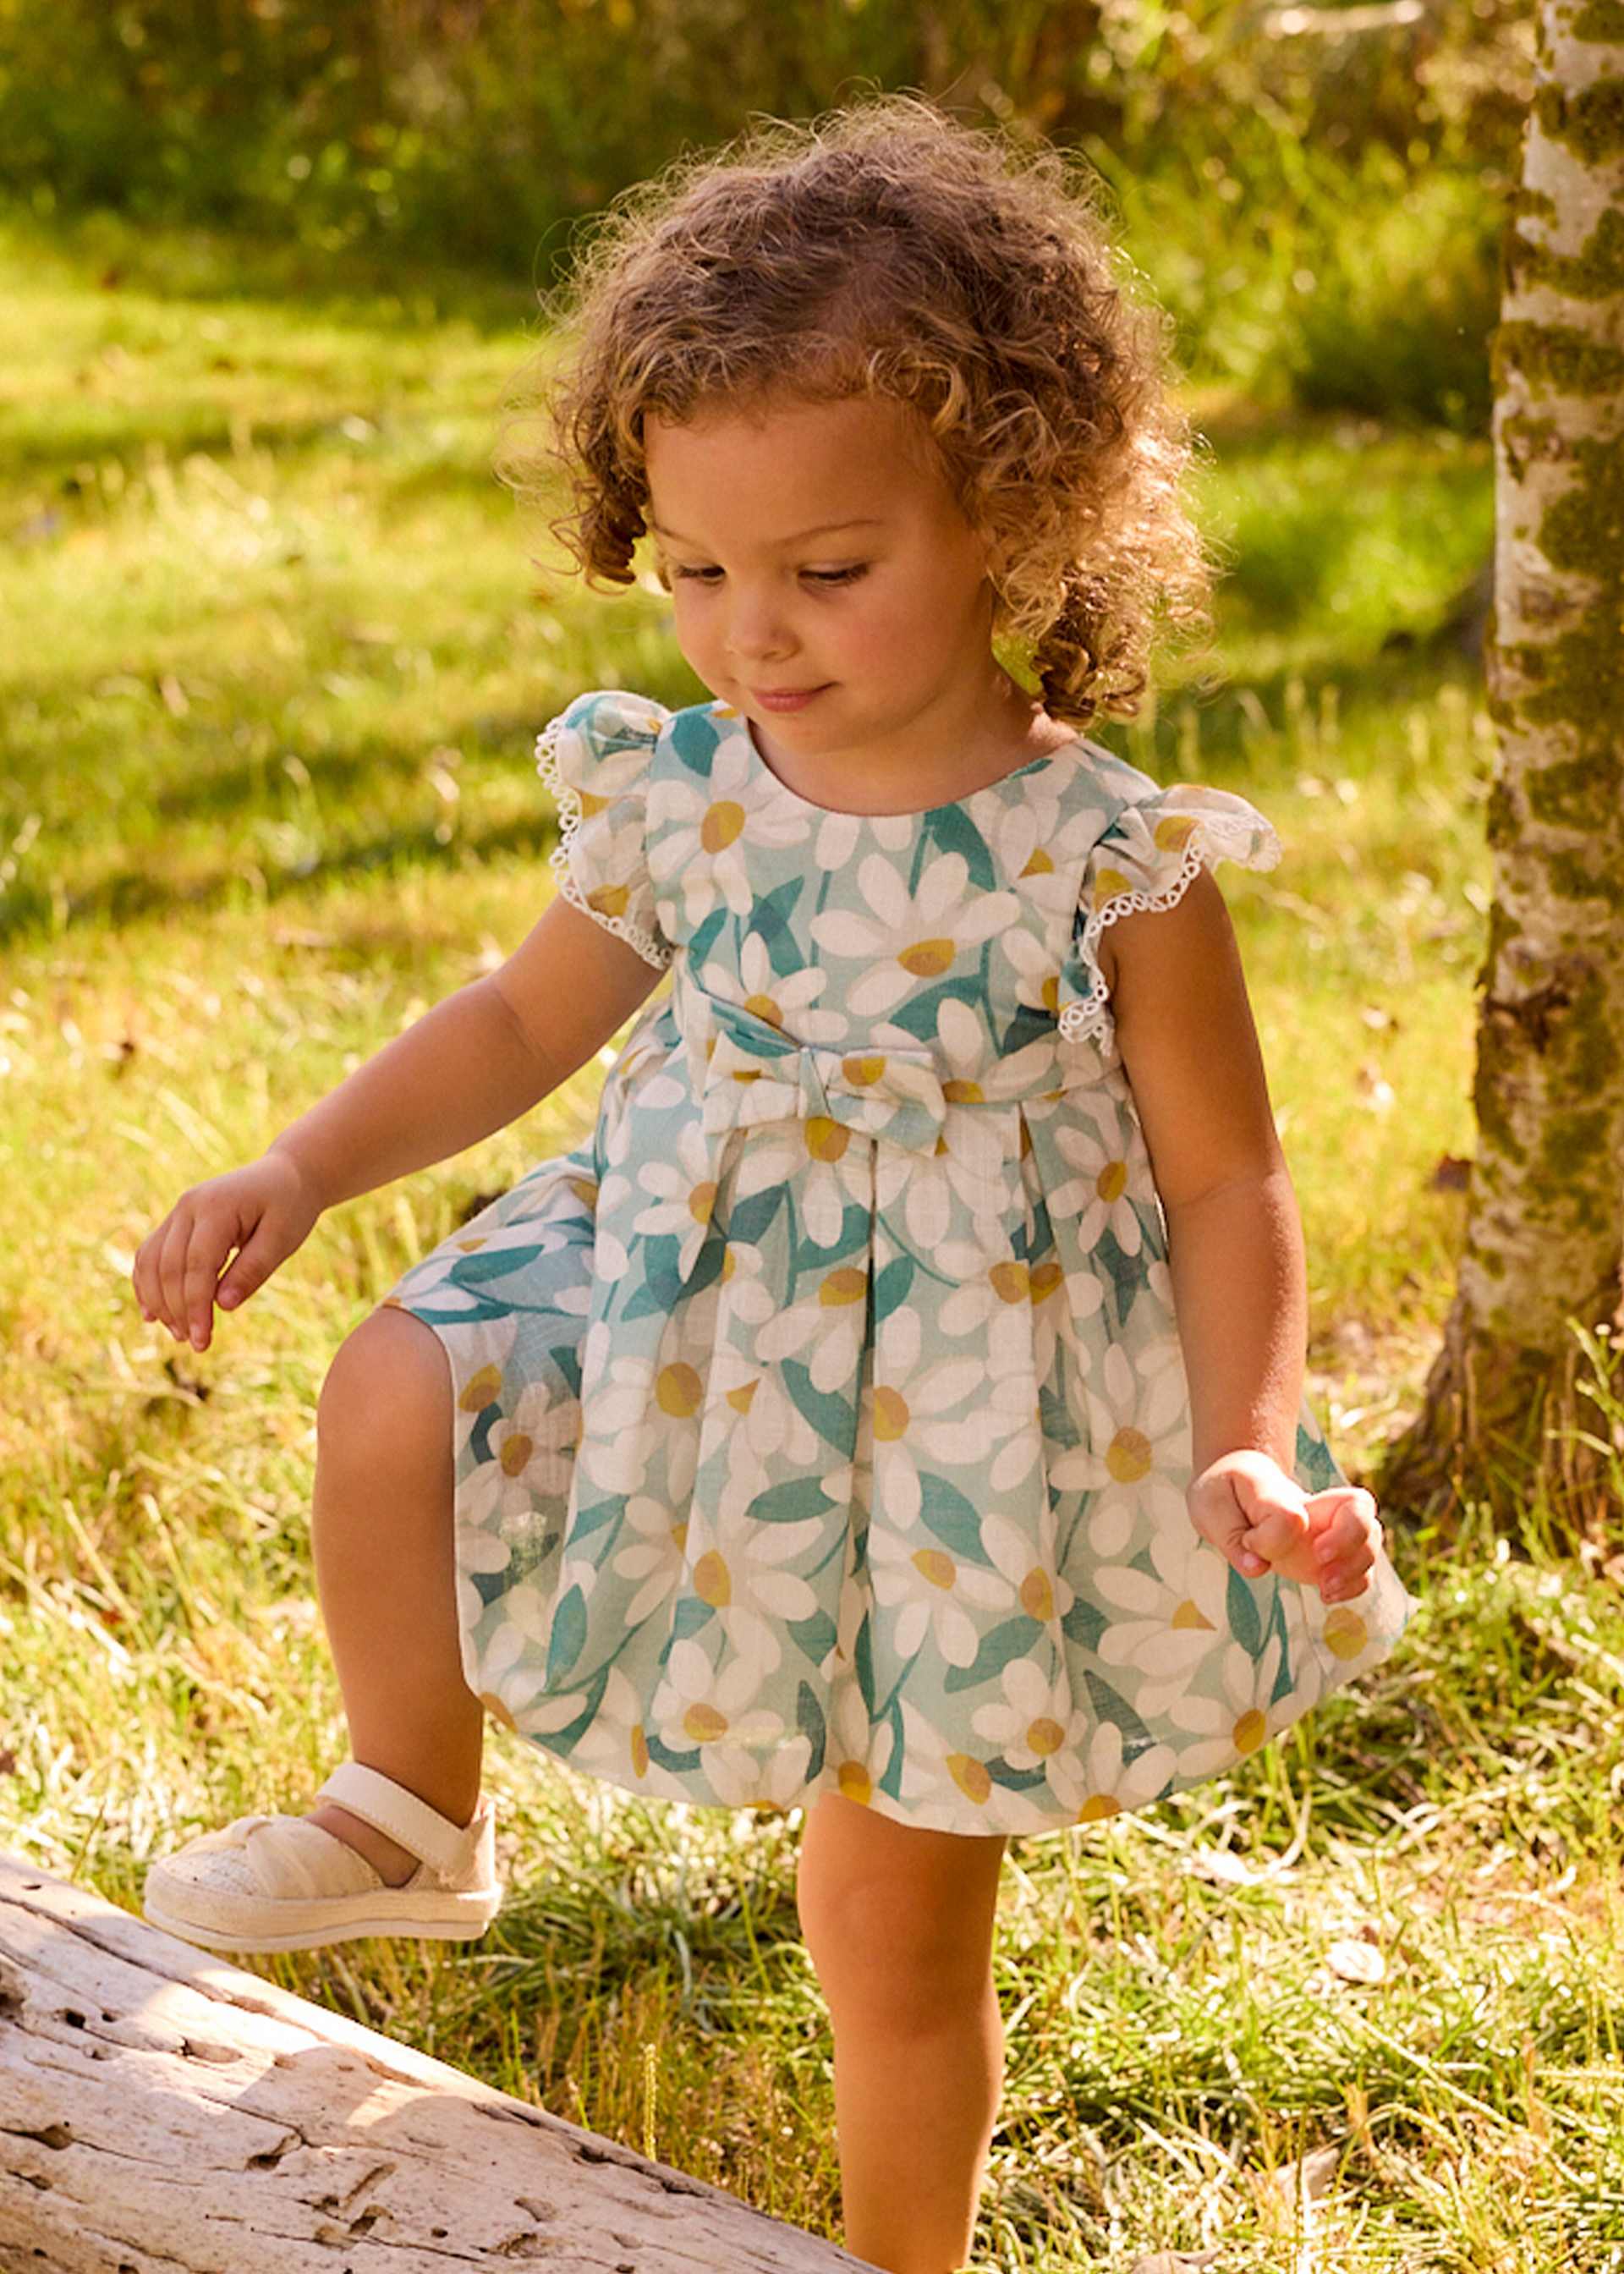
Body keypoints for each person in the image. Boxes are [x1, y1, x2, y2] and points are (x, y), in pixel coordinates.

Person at [135, 92, 1413, 2274]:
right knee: (391, 1392)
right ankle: (410, 1805)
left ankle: (901, 2252)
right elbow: (523, 1022)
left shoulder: (1105, 854)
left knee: (890, 1895)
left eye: (829, 571)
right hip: (681, 1295)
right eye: (697, 571)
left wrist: (1244, 1432)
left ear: (1020, 519)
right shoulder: (683, 795)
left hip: (964, 1409)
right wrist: (306, 1161)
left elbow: (1229, 1181)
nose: (754, 632)